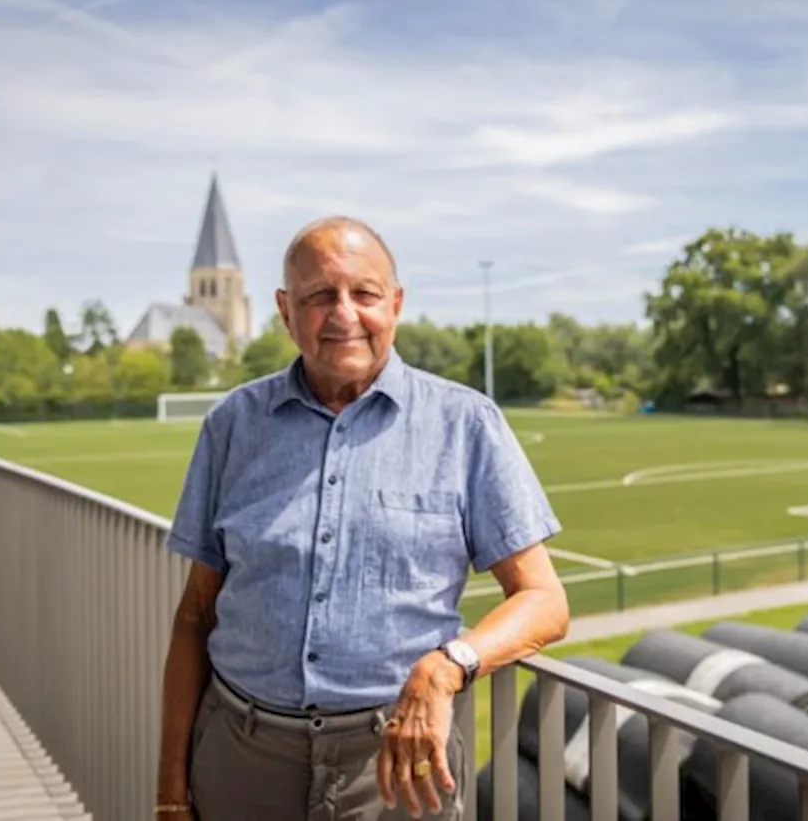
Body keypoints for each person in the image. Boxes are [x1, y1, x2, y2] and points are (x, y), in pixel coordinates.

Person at [154, 215, 570, 820]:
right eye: (320, 295)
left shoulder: (465, 425)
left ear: (395, 304)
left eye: (364, 294)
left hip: (398, 768)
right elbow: (195, 614)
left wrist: (447, 666)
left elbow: (544, 600)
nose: (344, 313)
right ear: (284, 310)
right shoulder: (232, 425)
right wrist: (170, 795)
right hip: (241, 759)